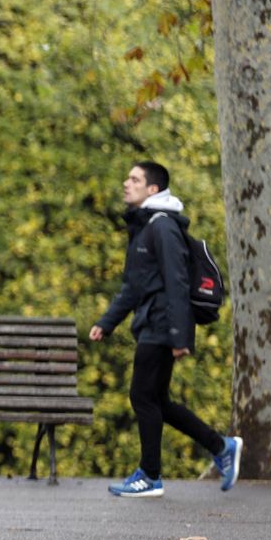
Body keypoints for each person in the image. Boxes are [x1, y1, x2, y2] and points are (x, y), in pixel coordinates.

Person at [91, 161, 243, 497]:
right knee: (157, 399)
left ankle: (150, 475)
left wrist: (179, 336)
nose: (125, 183)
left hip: (162, 324)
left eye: (134, 179)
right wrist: (107, 322)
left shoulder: (162, 227)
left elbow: (177, 281)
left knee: (142, 396)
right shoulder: (145, 228)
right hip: (152, 321)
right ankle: (221, 446)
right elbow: (133, 286)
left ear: (153, 189)